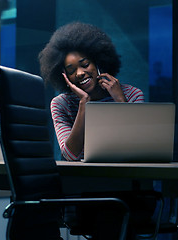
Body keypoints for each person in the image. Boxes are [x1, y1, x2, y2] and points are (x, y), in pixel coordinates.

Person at [38, 21, 144, 161]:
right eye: (71, 70)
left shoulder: (133, 95)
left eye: (85, 64)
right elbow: (70, 155)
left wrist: (120, 100)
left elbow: (139, 147)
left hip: (125, 175)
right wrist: (84, 103)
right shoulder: (61, 104)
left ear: (98, 62)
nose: (80, 73)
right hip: (82, 178)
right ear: (64, 76)